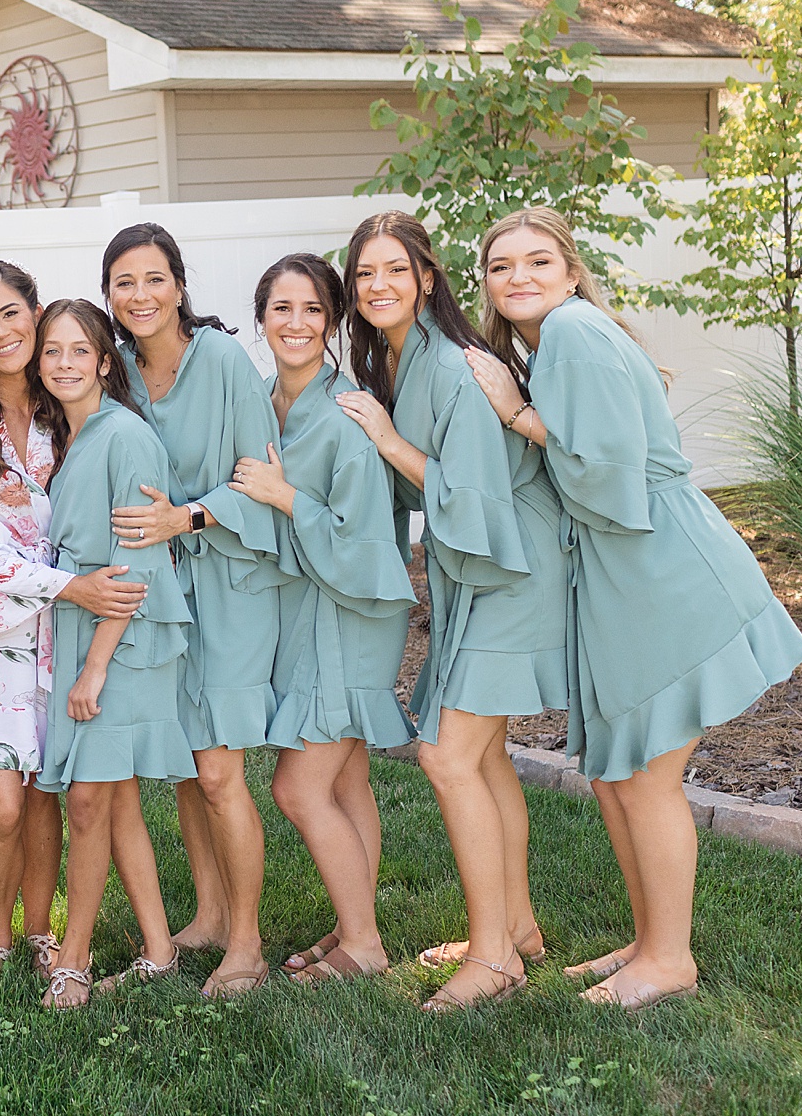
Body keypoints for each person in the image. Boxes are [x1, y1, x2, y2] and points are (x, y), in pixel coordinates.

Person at [464, 207, 802, 1011]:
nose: (518, 277)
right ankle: (647, 939)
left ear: (572, 271)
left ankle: (670, 960)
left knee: (649, 776)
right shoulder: (557, 341)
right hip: (627, 573)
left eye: (538, 261)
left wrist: (516, 414)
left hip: (662, 564)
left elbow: (608, 477)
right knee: (620, 775)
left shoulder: (576, 335)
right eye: (501, 266)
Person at [334, 211, 568, 1011]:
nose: (379, 286)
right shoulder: (397, 364)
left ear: (427, 279)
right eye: (365, 274)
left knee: (447, 755)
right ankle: (519, 928)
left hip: (511, 564)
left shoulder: (459, 367)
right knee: (486, 756)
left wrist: (389, 442)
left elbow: (472, 496)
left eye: (395, 270)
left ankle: (495, 957)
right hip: (473, 569)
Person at [0, 261, 149, 982]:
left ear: (36, 313)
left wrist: (80, 595)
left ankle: (43, 932)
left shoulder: (68, 418)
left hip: (65, 640)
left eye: (11, 314)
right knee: (2, 806)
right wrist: (70, 586)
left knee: (46, 795)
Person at [103, 222, 285, 997]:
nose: (139, 296)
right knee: (184, 767)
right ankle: (208, 915)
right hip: (160, 593)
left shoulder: (224, 363)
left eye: (153, 279)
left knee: (218, 773)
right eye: (123, 283)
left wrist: (187, 517)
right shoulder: (118, 373)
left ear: (179, 285)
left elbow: (260, 480)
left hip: (231, 583)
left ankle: (246, 943)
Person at [227, 253, 417, 986]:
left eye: (313, 309)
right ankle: (351, 924)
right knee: (345, 783)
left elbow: (364, 540)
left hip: (350, 609)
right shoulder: (266, 403)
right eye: (282, 308)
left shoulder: (346, 415)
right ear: (261, 318)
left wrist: (282, 497)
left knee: (299, 788)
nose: (297, 323)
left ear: (333, 321)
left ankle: (364, 947)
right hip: (306, 609)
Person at [31, 298, 196, 1010]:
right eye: (51, 352)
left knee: (91, 801)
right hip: (86, 625)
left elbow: (136, 563)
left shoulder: (125, 437)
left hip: (121, 635)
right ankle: (160, 951)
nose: (64, 364)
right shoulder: (72, 435)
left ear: (105, 360)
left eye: (79, 351)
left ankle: (73, 958)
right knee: (116, 797)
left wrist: (95, 665)